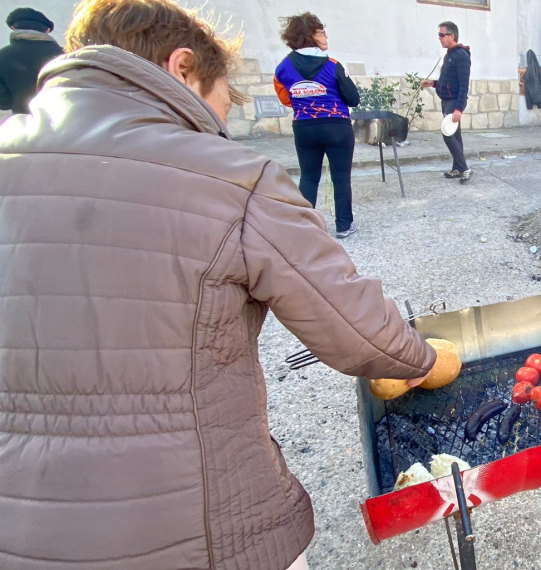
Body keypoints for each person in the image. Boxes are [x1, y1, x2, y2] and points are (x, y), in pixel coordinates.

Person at [0, 1, 436, 569]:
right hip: (202, 530)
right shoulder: (231, 177)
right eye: (223, 96)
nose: (223, 119)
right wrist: (424, 356)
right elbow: (360, 334)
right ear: (181, 68)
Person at [274, 13, 360, 239]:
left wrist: (305, 94)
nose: (326, 36)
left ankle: (306, 227)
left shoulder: (282, 68)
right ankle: (343, 226)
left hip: (304, 126)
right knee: (340, 177)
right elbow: (353, 98)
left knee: (309, 177)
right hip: (336, 126)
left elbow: (285, 99)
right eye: (322, 32)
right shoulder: (333, 65)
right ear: (310, 35)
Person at [421, 21, 471, 184]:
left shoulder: (461, 55)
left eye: (442, 35)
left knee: (448, 134)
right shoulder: (449, 55)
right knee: (454, 135)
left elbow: (463, 85)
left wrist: (459, 108)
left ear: (452, 35)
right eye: (439, 35)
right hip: (447, 100)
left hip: (453, 102)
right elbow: (448, 80)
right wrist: (433, 83)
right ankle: (457, 167)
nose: (439, 38)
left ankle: (464, 168)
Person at [0, 7, 63, 114]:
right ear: (46, 30)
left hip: (25, 123)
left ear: (14, 28)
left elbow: (3, 101)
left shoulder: (3, 55)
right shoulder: (63, 54)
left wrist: (19, 102)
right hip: (61, 120)